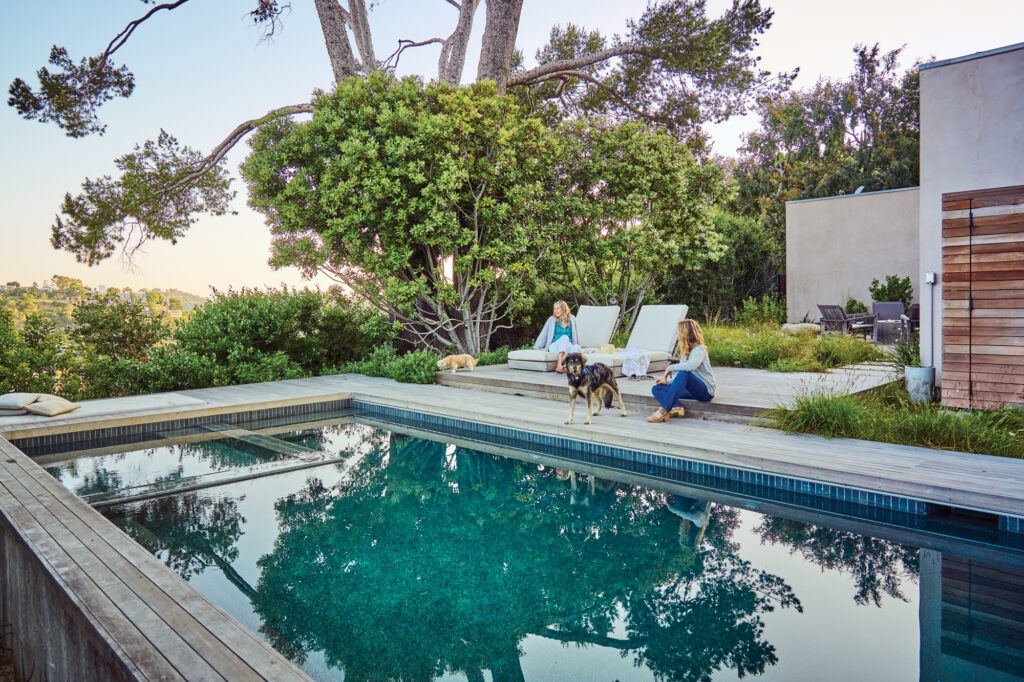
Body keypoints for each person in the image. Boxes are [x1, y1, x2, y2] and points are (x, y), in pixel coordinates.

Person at [647, 319, 716, 422]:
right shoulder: (686, 351)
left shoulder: (699, 350)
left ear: (685, 333)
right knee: (657, 388)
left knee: (685, 373)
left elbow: (690, 367)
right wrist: (667, 382)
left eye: (678, 331)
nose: (677, 333)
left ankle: (663, 411)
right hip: (691, 390)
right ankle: (676, 407)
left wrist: (670, 368)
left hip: (705, 391)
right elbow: (682, 376)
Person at [533, 300, 581, 373]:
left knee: (577, 347)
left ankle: (565, 367)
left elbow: (576, 335)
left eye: (557, 308)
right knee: (564, 337)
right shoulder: (552, 320)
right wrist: (537, 347)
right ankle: (560, 365)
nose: (555, 311)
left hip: (568, 346)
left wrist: (579, 344)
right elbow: (544, 334)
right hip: (554, 346)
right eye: (554, 309)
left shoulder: (572, 319)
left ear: (563, 308)